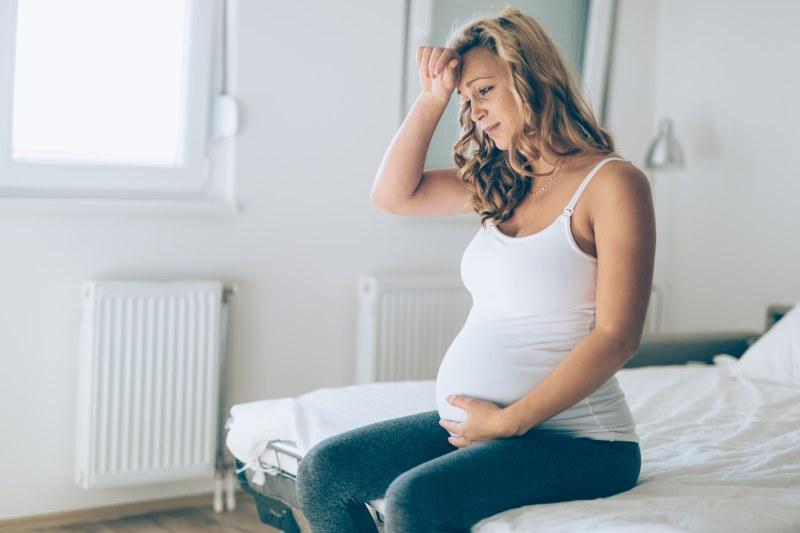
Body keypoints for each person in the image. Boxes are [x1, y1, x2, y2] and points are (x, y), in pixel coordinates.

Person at [296, 6, 655, 532]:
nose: (476, 111)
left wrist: (508, 422)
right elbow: (393, 195)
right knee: (326, 473)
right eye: (468, 99)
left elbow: (617, 336)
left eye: (484, 90)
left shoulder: (612, 184)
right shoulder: (505, 180)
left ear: (531, 77)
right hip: (483, 424)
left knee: (415, 500)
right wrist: (432, 98)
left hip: (583, 442)